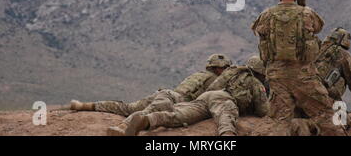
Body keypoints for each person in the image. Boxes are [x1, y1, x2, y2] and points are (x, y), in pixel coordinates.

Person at [251, 0, 345, 136]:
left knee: (281, 119)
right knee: (325, 115)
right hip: (303, 75)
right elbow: (317, 27)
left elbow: (259, 31)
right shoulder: (307, 13)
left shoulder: (267, 14)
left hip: (277, 75)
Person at [107, 56, 269, 136]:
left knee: (178, 115)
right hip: (224, 101)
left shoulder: (231, 74)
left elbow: (212, 88)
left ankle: (149, 120)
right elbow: (263, 110)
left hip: (207, 97)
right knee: (226, 122)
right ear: (261, 72)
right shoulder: (256, 83)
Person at [69, 53, 231, 116]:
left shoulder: (199, 74)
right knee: (148, 115)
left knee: (128, 107)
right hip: (178, 100)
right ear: (218, 68)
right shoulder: (214, 80)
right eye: (225, 68)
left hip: (166, 93)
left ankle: (85, 105)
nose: (226, 71)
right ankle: (128, 126)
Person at [315, 27, 351, 115]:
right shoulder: (344, 55)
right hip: (326, 97)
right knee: (343, 122)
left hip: (305, 94)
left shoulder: (316, 50)